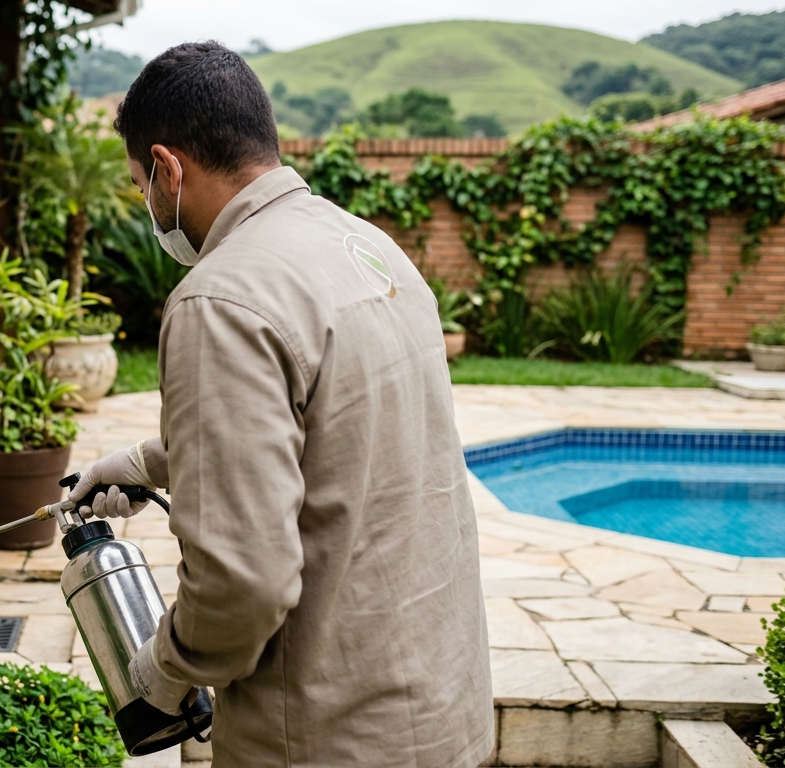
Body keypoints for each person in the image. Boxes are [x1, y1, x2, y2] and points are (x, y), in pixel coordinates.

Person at [67, 42, 493, 767]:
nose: (149, 203)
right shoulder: (369, 248)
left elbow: (243, 584)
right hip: (442, 709)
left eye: (142, 182)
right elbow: (343, 426)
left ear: (168, 169)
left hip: (329, 733)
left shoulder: (221, 297)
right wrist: (146, 462)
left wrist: (162, 674)